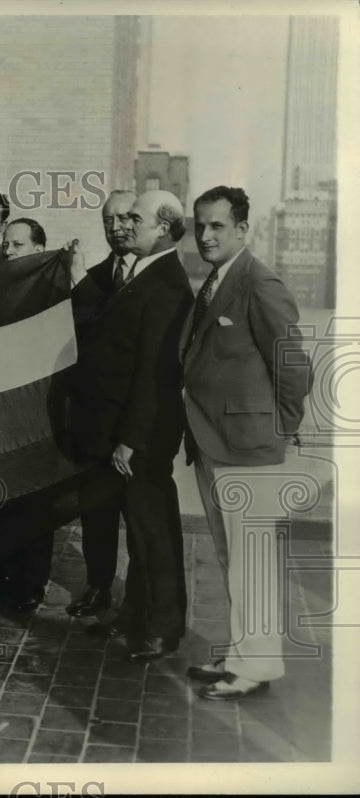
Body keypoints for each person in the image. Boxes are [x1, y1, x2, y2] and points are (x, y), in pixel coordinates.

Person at [182, 186, 312, 700]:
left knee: (252, 560)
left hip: (250, 448)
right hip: (216, 443)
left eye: (218, 226)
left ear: (242, 229)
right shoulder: (217, 281)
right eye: (201, 226)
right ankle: (242, 654)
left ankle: (256, 667)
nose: (207, 235)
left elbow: (292, 362)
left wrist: (280, 426)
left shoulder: (259, 281)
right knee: (233, 557)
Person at [70, 189, 193, 662]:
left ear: (163, 226)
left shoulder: (166, 285)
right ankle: (136, 615)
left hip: (140, 436)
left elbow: (155, 373)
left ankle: (163, 628)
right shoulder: (143, 274)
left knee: (152, 533)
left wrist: (130, 440)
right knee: (142, 532)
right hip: (119, 431)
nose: (128, 225)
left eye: (136, 217)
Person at [64, 190, 137, 620]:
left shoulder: (152, 275)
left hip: (135, 424)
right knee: (97, 513)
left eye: (127, 218)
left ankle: (137, 598)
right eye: (109, 220)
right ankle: (98, 585)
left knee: (140, 519)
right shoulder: (93, 277)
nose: (117, 227)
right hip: (95, 423)